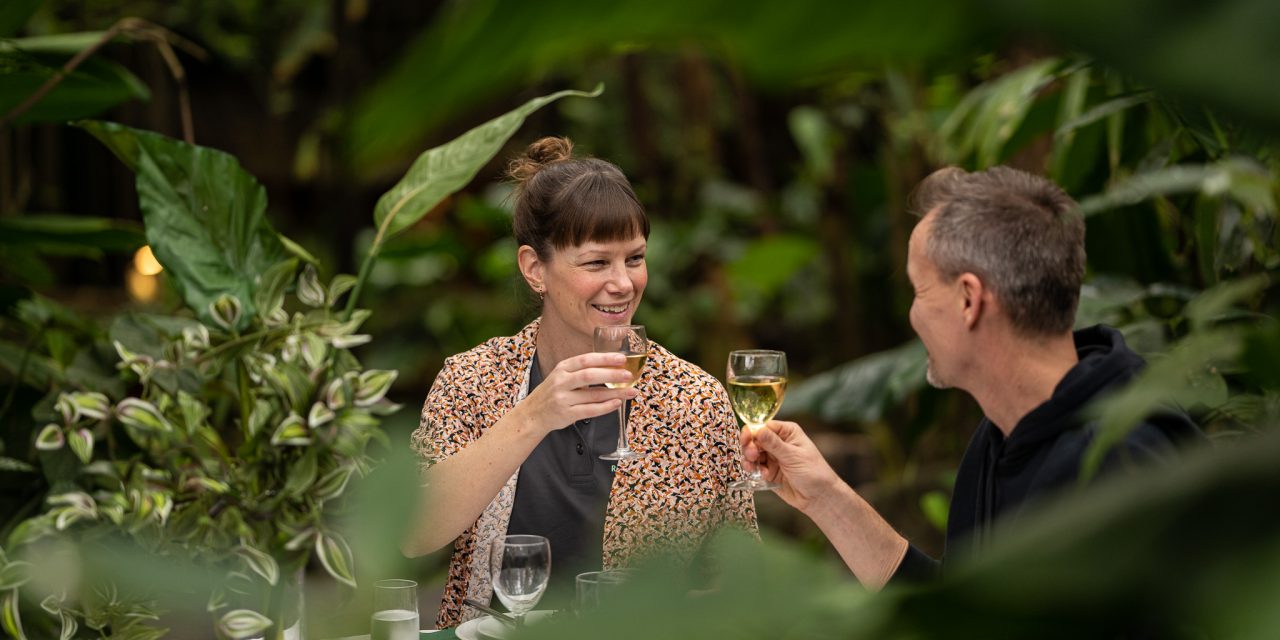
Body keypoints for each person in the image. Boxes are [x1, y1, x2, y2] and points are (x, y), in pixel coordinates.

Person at [743, 166, 1201, 588]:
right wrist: (825, 497)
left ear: (969, 300)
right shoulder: (998, 439)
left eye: (919, 290)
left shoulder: (1124, 467)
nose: (913, 315)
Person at [407, 136, 757, 628]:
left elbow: (739, 583)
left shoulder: (694, 400)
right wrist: (533, 415)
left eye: (634, 258)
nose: (623, 283)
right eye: (597, 262)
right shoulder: (472, 379)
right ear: (535, 269)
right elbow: (414, 531)